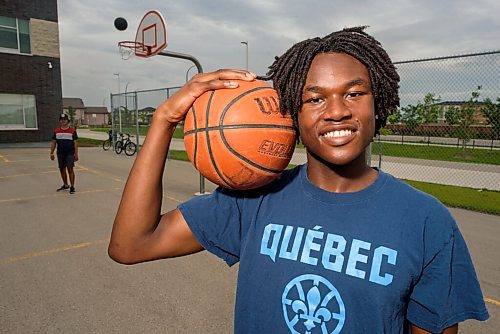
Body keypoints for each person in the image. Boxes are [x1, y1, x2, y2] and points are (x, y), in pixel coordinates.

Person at [108, 27, 489, 333]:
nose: (337, 111)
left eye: (354, 93)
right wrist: (164, 121)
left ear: (380, 102)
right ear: (292, 112)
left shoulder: (426, 221)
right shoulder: (254, 200)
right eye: (315, 99)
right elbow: (130, 246)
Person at [50, 113, 78, 194]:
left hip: (70, 153)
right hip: (60, 153)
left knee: (70, 169)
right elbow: (53, 143)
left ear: (67, 121)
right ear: (59, 121)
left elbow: (75, 143)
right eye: (61, 120)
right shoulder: (56, 131)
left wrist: (76, 154)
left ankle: (72, 186)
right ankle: (65, 184)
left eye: (64, 120)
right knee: (62, 169)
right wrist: (51, 153)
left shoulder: (72, 131)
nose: (63, 121)